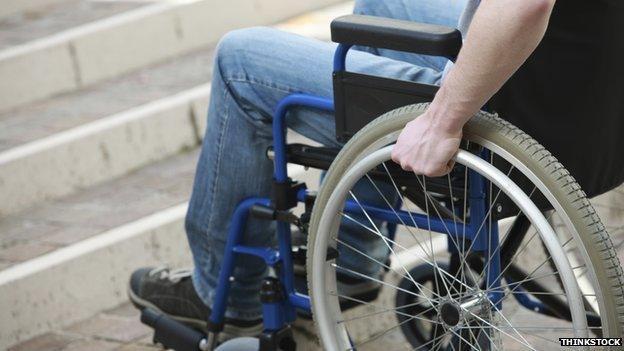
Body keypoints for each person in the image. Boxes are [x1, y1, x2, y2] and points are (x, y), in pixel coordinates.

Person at [127, 0, 624, 336]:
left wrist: (441, 120)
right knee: (385, 4)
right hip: (591, 127)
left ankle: (225, 295)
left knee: (238, 59)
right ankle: (353, 256)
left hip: (502, 135)